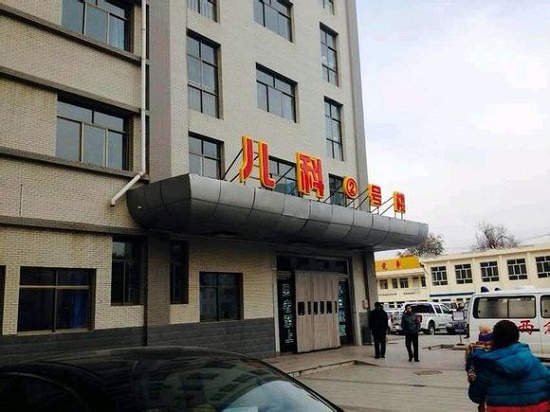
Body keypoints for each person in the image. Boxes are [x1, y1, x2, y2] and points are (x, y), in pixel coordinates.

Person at [468, 320, 550, 411]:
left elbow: (476, 396)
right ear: (517, 336)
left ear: (494, 338)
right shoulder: (535, 363)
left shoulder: (488, 366)